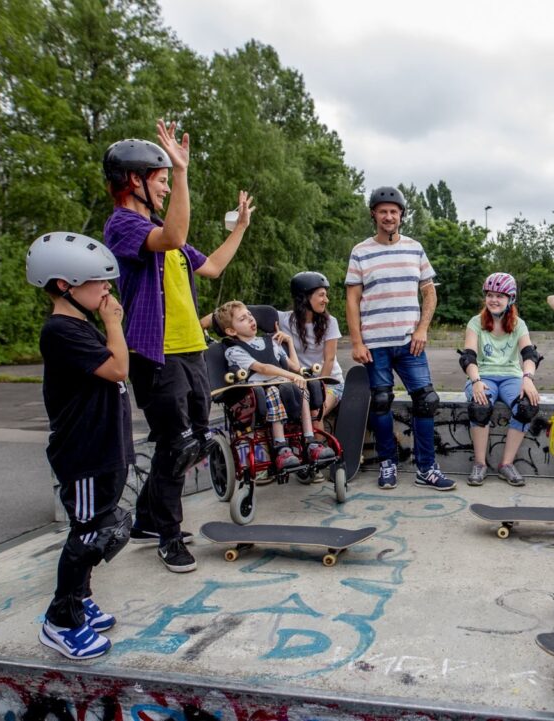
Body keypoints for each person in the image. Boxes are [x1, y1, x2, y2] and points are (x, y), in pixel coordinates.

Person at [102, 120, 254, 573]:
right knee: (177, 445)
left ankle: (147, 520)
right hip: (155, 353)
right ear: (135, 180)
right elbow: (174, 236)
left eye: (171, 180)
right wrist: (183, 171)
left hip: (190, 349)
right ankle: (168, 536)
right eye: (162, 179)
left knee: (194, 440)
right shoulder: (124, 226)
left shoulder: (164, 236)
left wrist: (241, 227)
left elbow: (211, 267)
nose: (168, 188)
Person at [27, 232, 134, 660]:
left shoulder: (78, 324)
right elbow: (118, 369)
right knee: (89, 534)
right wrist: (113, 325)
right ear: (63, 285)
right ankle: (61, 619)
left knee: (101, 528)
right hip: (84, 453)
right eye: (97, 281)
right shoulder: (60, 330)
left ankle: (81, 597)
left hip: (104, 448)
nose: (107, 288)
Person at [345, 186, 453, 491]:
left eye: (394, 212)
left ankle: (427, 468)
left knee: (427, 401)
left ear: (401, 216)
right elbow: (352, 299)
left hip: (410, 342)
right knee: (381, 402)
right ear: (374, 215)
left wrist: (422, 329)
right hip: (375, 342)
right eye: (383, 211)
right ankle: (388, 464)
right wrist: (356, 342)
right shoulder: (361, 251)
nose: (388, 216)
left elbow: (429, 292)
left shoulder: (414, 248)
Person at [214, 300, 335, 469]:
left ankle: (310, 441)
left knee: (302, 388)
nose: (250, 319)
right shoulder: (234, 350)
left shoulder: (271, 342)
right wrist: (292, 376)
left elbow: (295, 366)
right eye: (242, 319)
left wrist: (289, 343)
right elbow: (263, 368)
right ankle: (281, 447)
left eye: (250, 315)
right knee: (273, 391)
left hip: (285, 384)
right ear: (231, 330)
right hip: (260, 390)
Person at [460, 273, 542, 486]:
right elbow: (468, 356)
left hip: (510, 376)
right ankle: (480, 464)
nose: (493, 300)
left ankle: (506, 464)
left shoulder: (518, 324)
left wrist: (528, 378)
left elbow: (529, 354)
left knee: (526, 406)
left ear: (510, 299)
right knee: (480, 406)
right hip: (483, 374)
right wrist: (476, 381)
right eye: (489, 295)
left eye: (500, 296)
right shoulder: (476, 322)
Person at [281, 272, 345, 428]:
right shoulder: (283, 319)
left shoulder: (330, 323)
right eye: (321, 295)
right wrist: (213, 319)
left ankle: (321, 451)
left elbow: (329, 360)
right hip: (301, 384)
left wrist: (319, 390)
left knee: (315, 414)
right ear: (304, 297)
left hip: (329, 383)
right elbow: (245, 312)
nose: (326, 300)